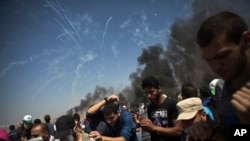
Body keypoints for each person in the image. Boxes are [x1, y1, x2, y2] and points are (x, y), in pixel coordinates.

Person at [188, 10, 250, 140]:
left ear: (246, 41)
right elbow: (233, 134)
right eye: (209, 60)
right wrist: (211, 132)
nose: (215, 67)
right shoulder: (220, 90)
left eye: (222, 56)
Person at [140, 76, 182, 141]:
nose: (148, 96)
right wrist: (142, 124)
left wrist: (154, 128)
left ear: (159, 89)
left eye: (151, 92)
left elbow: (179, 131)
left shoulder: (172, 104)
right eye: (146, 93)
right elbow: (152, 129)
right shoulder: (150, 107)